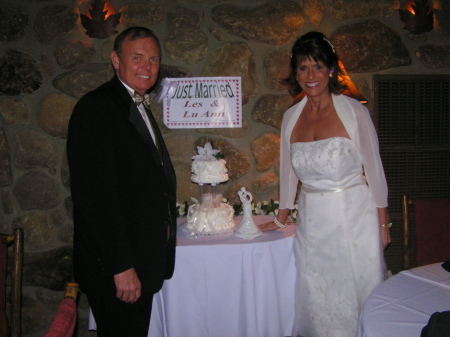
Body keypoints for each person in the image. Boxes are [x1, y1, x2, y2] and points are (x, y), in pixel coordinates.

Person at [260, 31, 391, 337]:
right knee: (318, 292)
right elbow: (289, 173)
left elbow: (374, 170)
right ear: (295, 73)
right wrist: (280, 219)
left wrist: (383, 226)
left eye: (318, 66)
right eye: (303, 68)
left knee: (357, 291)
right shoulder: (291, 117)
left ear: (331, 69)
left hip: (354, 218)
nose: (311, 75)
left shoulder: (354, 110)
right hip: (313, 221)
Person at [67, 27, 177, 337]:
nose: (147, 67)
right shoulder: (97, 108)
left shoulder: (134, 103)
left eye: (153, 59)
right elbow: (94, 198)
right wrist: (121, 267)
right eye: (137, 57)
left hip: (139, 261)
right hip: (119, 268)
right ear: (116, 60)